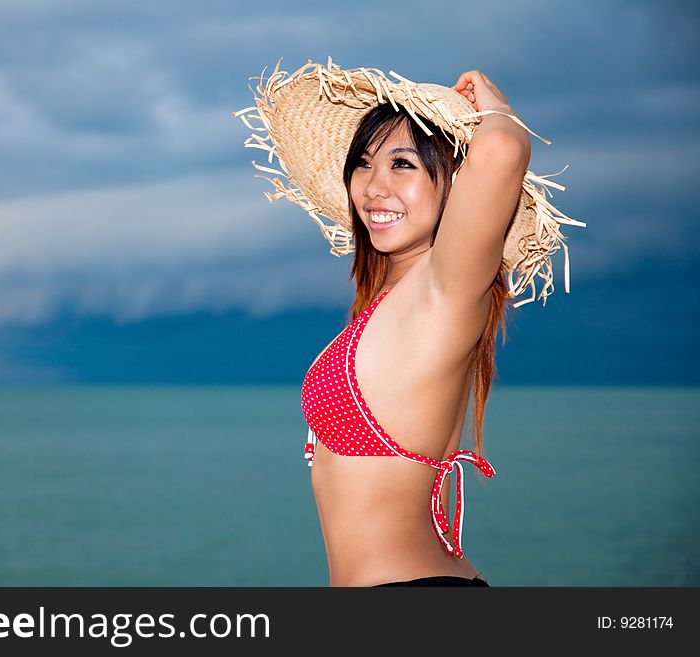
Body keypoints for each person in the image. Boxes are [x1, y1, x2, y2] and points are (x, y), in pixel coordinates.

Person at [234, 59, 584, 587]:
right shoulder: (392, 302)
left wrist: (495, 109)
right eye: (364, 164)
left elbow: (500, 151)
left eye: (403, 165)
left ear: (454, 186)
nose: (374, 186)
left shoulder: (444, 291)